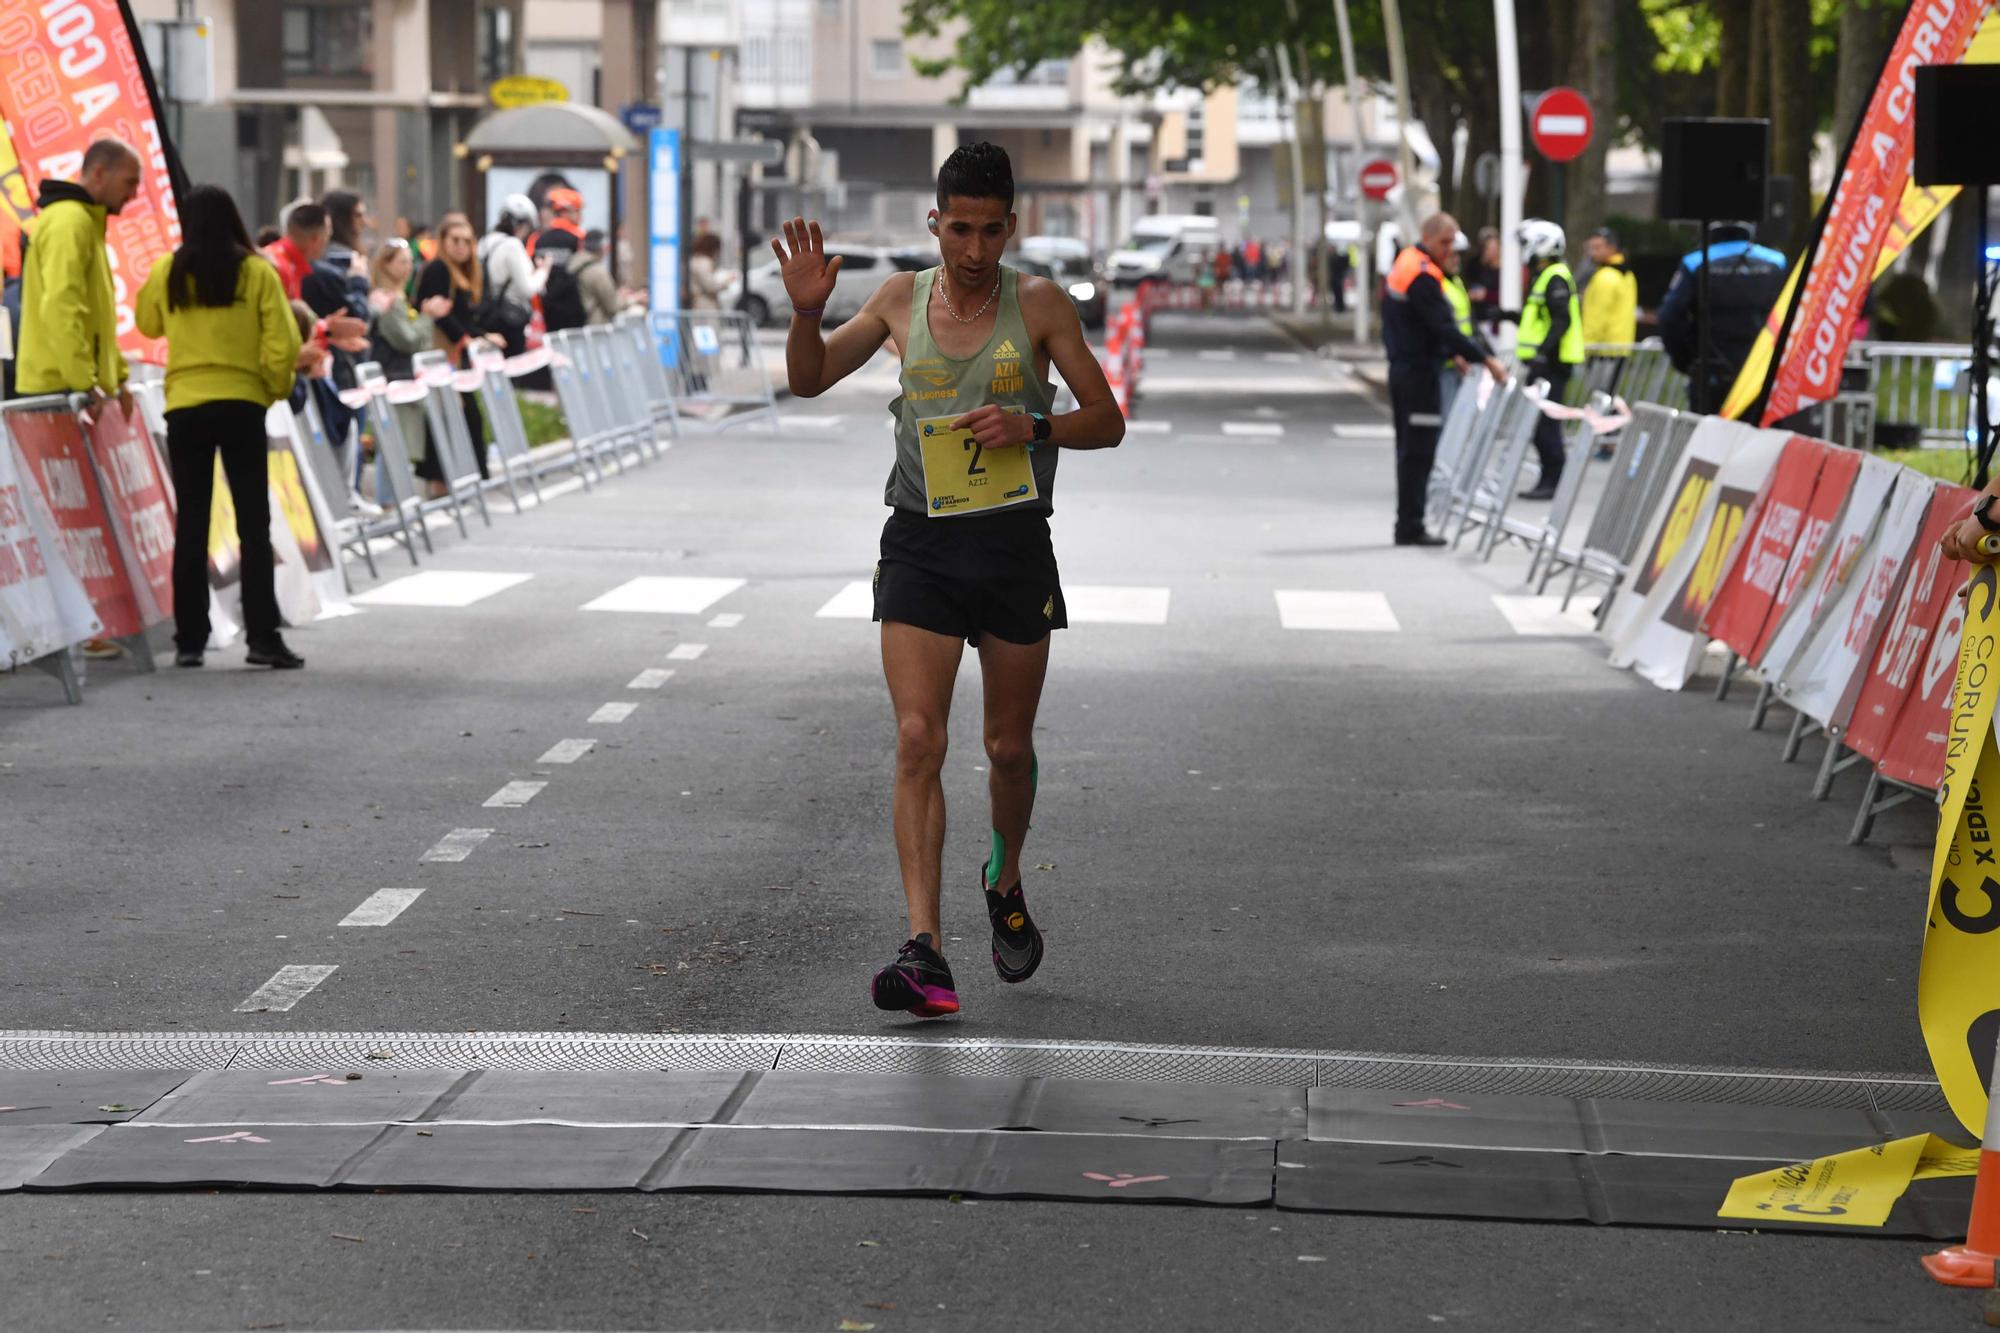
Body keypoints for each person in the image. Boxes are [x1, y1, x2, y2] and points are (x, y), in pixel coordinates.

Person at [774, 142, 1124, 1017]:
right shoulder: (900, 299)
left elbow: (1107, 420)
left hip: (1012, 546)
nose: (974, 248)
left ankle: (1003, 876)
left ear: (1014, 224)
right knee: (917, 738)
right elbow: (809, 380)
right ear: (935, 222)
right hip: (921, 544)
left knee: (1007, 747)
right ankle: (925, 948)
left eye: (991, 229)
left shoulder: (1037, 304)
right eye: (959, 228)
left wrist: (1032, 424)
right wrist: (807, 314)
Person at [134, 185, 304, 670]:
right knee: (254, 522)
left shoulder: (169, 270)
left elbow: (147, 323)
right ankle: (263, 638)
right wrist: (270, 387)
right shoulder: (255, 272)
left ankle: (190, 639)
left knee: (191, 522)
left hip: (185, 405)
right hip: (242, 404)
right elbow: (283, 341)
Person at [18, 139, 143, 661]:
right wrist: (85, 383)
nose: (133, 194)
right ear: (98, 173)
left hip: (62, 385)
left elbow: (93, 319)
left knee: (68, 510)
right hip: (56, 390)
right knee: (62, 513)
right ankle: (76, 625)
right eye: (128, 183)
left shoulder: (79, 223)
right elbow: (65, 309)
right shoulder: (71, 224)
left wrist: (111, 379)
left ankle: (83, 622)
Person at [1382, 212, 1508, 546]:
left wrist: (1453, 353)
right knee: (1419, 451)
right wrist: (1486, 359)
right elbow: (1443, 326)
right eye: (1445, 242)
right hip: (1419, 374)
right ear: (1430, 236)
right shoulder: (1424, 276)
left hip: (1407, 369)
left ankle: (1408, 522)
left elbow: (1420, 324)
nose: (1450, 249)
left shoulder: (1408, 261)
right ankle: (1410, 525)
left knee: (1410, 449)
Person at [1658, 221, 1787, 413]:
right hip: (1762, 372)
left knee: (1710, 438)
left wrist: (1685, 361)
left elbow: (1670, 318)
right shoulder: (1776, 262)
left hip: (1711, 373)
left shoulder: (1696, 262)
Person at [414, 212, 499, 490]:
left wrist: (481, 336)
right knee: (451, 416)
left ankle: (463, 478)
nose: (461, 246)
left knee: (464, 416)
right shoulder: (438, 269)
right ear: (443, 241)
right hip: (441, 356)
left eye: (467, 240)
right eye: (455, 240)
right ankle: (443, 481)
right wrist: (466, 339)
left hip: (455, 356)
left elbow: (464, 318)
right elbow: (440, 314)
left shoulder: (466, 272)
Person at [365, 240, 453, 501]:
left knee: (401, 443)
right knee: (393, 443)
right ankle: (390, 501)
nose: (408, 268)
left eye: (410, 262)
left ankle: (397, 499)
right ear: (385, 265)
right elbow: (409, 340)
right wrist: (427, 316)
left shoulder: (400, 298)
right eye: (402, 262)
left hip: (402, 378)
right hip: (392, 379)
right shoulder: (387, 300)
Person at [1514, 218, 1583, 501]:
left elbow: (1561, 320)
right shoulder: (1547, 274)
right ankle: (1547, 478)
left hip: (1552, 364)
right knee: (1539, 424)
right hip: (1544, 363)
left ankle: (1553, 481)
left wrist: (1543, 354)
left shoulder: (1555, 276)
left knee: (1546, 425)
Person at [476, 193, 543, 355]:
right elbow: (527, 288)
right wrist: (543, 271)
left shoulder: (484, 242)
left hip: (486, 316)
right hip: (511, 321)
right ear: (521, 223)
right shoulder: (512, 245)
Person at [1581, 227, 1638, 357]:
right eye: (1591, 248)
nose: (1592, 252)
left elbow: (1596, 317)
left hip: (1601, 350)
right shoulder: (1627, 274)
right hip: (1621, 347)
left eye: (1597, 247)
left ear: (1612, 248)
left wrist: (1585, 346)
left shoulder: (1605, 277)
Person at [263, 202, 329, 302]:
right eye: (327, 236)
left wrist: (319, 319)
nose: (326, 244)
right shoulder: (281, 267)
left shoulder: (284, 260)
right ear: (316, 239)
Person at [570, 229, 621, 325]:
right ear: (603, 248)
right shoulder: (598, 271)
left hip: (573, 326)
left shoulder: (571, 263)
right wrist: (633, 299)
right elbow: (612, 306)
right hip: (594, 329)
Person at [531, 186, 584, 262]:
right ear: (564, 212)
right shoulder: (580, 237)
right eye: (577, 210)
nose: (581, 215)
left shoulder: (537, 237)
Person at [1465, 227, 1501, 325]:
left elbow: (1509, 297)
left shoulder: (1508, 272)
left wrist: (1486, 295)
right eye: (1486, 248)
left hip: (1497, 321)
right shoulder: (1478, 266)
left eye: (1493, 249)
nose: (1489, 252)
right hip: (1480, 317)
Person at [685, 232, 727, 313]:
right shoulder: (704, 262)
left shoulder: (694, 259)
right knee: (708, 325)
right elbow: (710, 286)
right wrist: (726, 281)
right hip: (705, 305)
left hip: (698, 303)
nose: (717, 253)